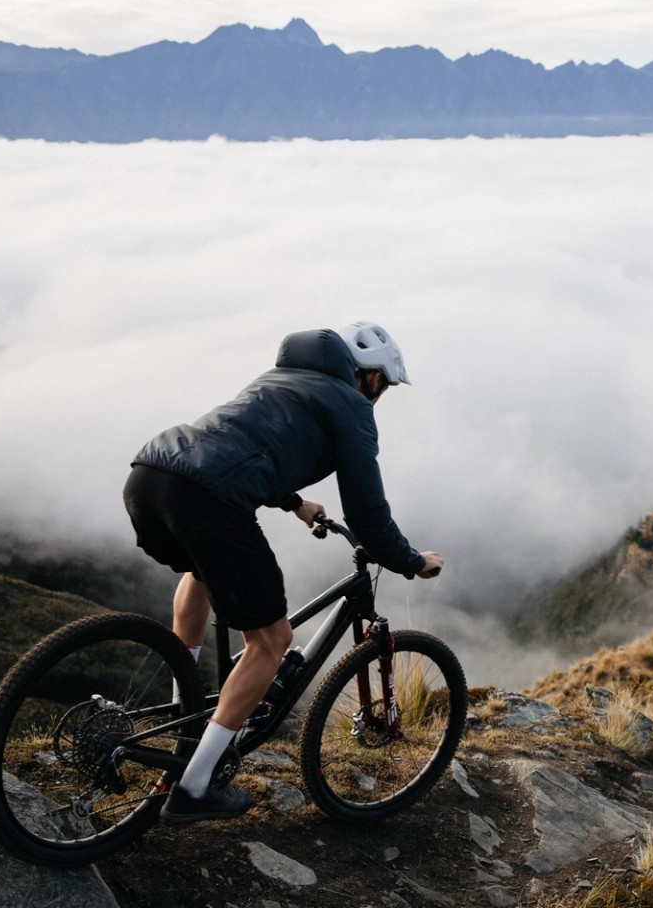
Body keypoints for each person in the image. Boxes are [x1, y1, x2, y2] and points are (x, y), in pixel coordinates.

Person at [122, 322, 442, 823]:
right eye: (384, 386)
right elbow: (367, 515)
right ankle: (193, 788)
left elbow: (241, 447)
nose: (380, 397)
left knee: (200, 572)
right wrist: (410, 561)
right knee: (271, 641)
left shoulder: (277, 380)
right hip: (209, 497)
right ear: (372, 378)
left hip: (151, 474)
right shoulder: (352, 407)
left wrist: (294, 503)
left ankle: (182, 703)